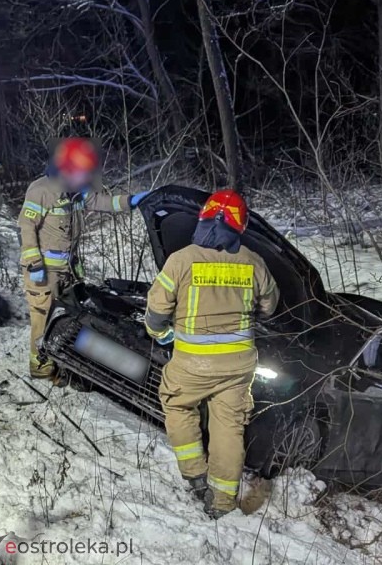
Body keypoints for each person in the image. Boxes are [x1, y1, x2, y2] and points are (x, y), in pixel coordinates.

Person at [144, 189, 278, 519]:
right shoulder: (253, 262)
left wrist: (161, 334)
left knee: (177, 403)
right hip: (238, 367)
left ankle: (195, 475)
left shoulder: (181, 260)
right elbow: (270, 307)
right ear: (240, 226)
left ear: (203, 217)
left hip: (193, 364)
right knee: (229, 427)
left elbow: (155, 310)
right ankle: (221, 503)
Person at [18, 137, 148, 378]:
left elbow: (100, 202)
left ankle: (61, 358)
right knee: (42, 319)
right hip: (43, 274)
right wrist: (34, 263)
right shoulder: (42, 191)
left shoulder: (76, 191)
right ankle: (41, 366)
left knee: (65, 317)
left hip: (67, 271)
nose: (84, 178)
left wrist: (129, 202)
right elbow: (26, 228)